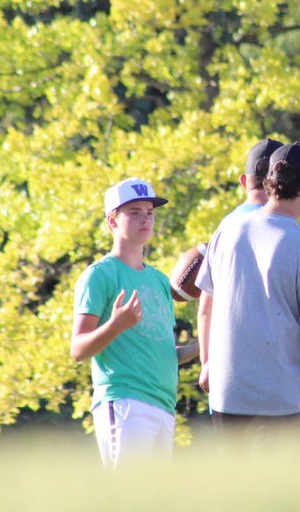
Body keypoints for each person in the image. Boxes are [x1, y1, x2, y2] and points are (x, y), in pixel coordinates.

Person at [195, 142, 300, 442]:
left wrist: (207, 362)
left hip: (227, 394)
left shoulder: (227, 230)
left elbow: (206, 306)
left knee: (234, 488)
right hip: (282, 400)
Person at [70, 178, 200, 468]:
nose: (145, 218)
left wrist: (198, 348)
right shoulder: (99, 276)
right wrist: (115, 325)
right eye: (134, 212)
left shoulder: (158, 281)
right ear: (112, 222)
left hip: (164, 405)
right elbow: (77, 350)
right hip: (125, 401)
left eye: (150, 212)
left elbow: (161, 353)